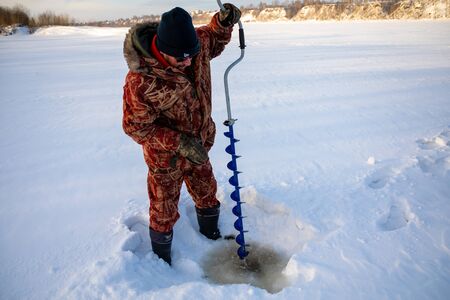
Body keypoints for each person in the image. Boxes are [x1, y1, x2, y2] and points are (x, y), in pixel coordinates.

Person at [122, 4, 241, 265]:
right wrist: (178, 142)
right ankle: (162, 262)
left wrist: (224, 22)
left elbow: (214, 37)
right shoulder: (140, 81)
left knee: (207, 192)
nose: (189, 61)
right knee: (163, 210)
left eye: (192, 55)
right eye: (181, 58)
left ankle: (211, 234)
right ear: (163, 51)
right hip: (166, 161)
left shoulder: (194, 47)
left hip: (199, 145)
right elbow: (136, 127)